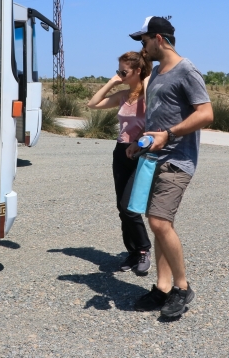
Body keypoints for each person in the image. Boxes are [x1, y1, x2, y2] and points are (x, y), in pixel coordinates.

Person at [126, 16, 213, 317]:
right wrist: (139, 141)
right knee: (159, 223)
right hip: (154, 159)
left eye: (144, 40)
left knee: (160, 223)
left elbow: (206, 114)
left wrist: (169, 135)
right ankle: (163, 287)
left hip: (178, 159)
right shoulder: (158, 73)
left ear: (159, 39)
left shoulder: (186, 70)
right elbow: (157, 120)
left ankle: (182, 287)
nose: (142, 47)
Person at [87, 51, 153, 275]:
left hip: (140, 152)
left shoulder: (151, 94)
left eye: (123, 71)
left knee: (129, 207)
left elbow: (150, 85)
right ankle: (133, 252)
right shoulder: (123, 95)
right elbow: (92, 104)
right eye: (118, 71)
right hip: (120, 151)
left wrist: (144, 77)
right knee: (121, 208)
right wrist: (113, 81)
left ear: (138, 71)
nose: (119, 75)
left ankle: (144, 249)